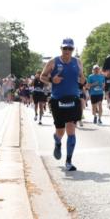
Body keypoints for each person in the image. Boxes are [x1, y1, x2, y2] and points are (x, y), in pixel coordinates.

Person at [40, 38, 86, 172]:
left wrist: (83, 80)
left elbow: (82, 78)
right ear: (61, 48)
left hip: (73, 98)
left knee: (71, 130)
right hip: (57, 100)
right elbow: (42, 76)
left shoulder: (77, 62)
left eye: (70, 49)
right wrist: (51, 80)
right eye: (65, 48)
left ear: (72, 49)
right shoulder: (53, 62)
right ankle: (57, 140)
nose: (67, 51)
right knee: (60, 131)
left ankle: (69, 161)